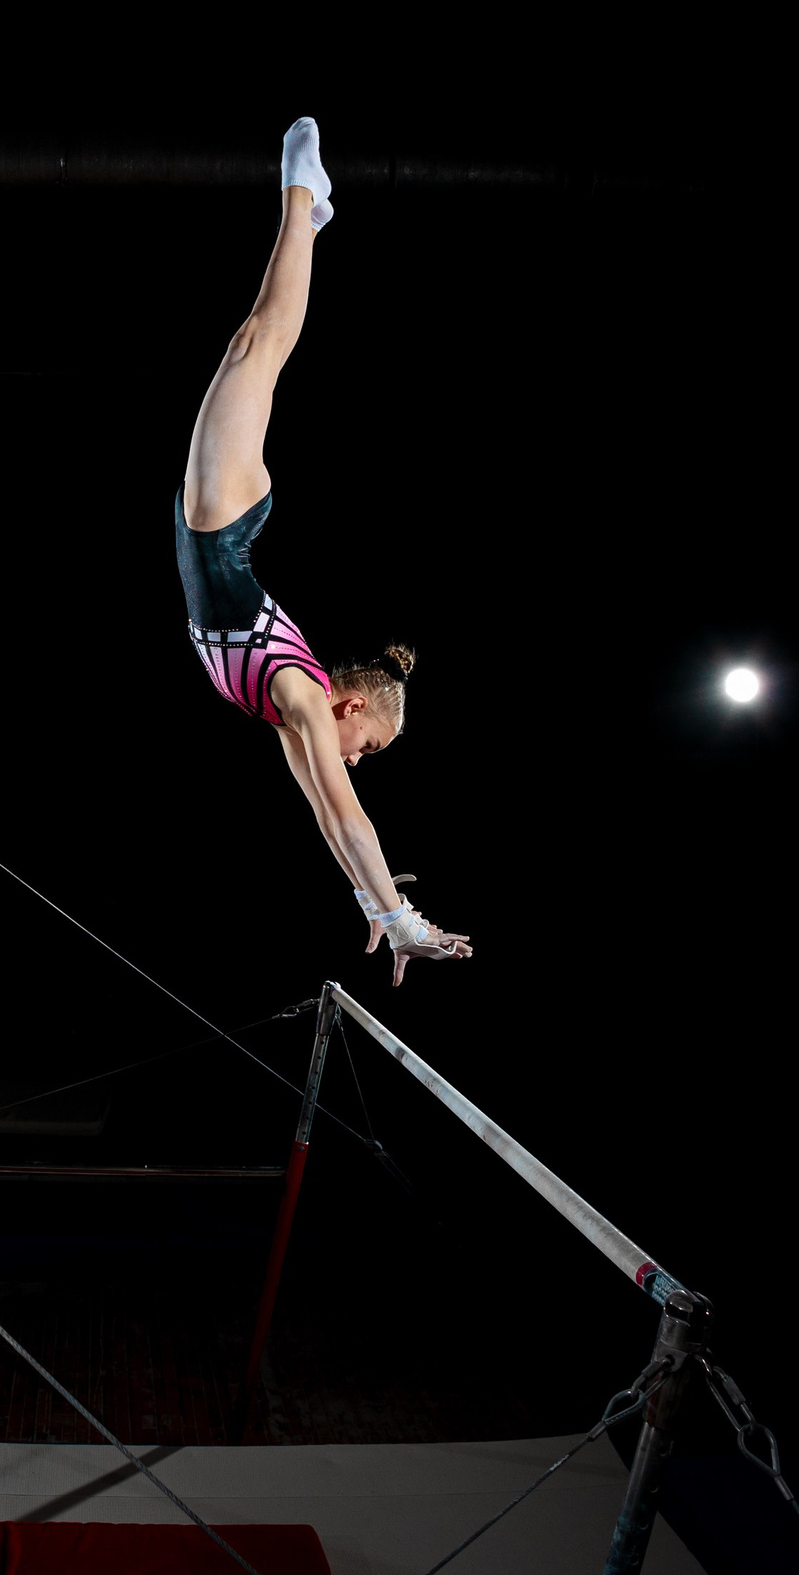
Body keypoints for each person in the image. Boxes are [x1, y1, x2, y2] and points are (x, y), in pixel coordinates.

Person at [177, 118, 472, 987]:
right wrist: (400, 914)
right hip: (220, 525)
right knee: (258, 342)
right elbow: (351, 814)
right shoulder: (303, 696)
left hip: (222, 524)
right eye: (369, 746)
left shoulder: (288, 719)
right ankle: (302, 197)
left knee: (258, 346)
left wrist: (371, 900)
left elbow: (327, 817)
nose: (356, 763)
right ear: (348, 705)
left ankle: (307, 204)